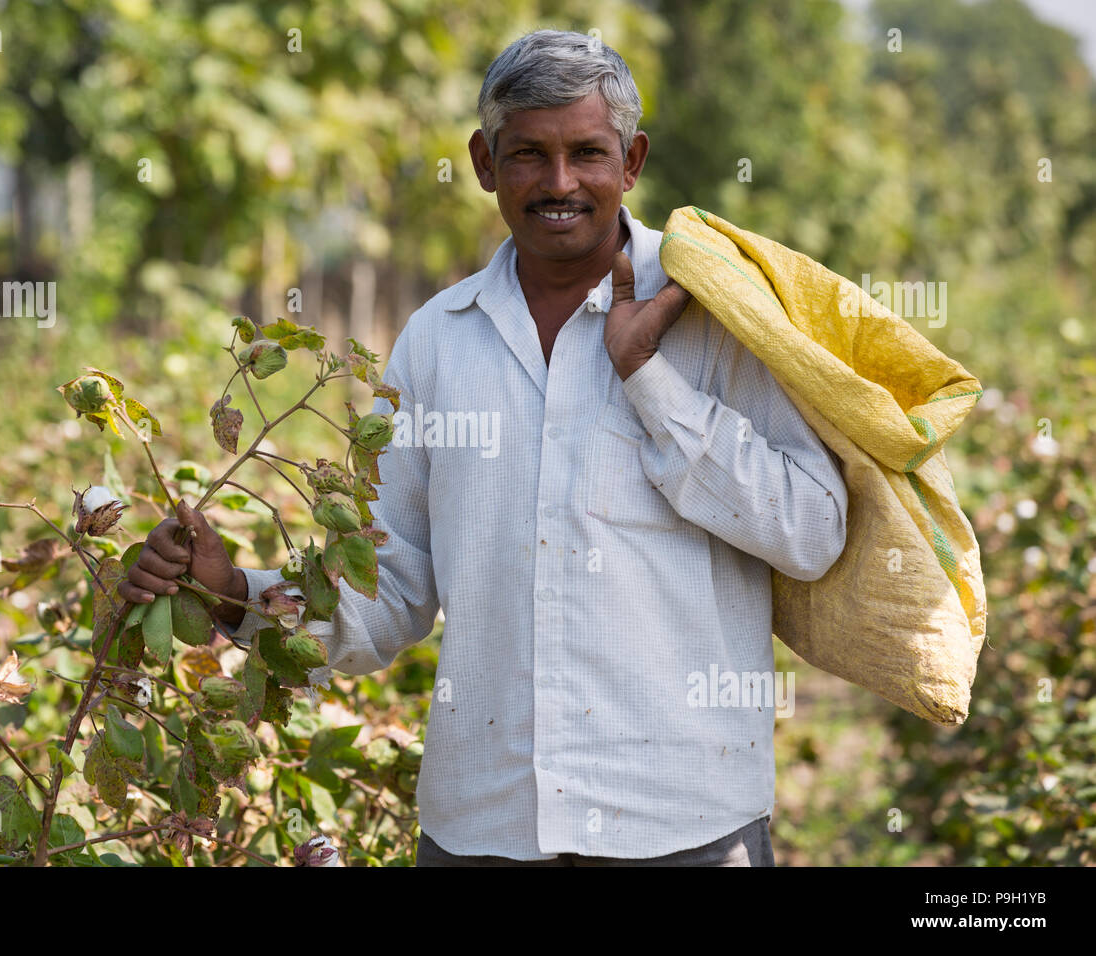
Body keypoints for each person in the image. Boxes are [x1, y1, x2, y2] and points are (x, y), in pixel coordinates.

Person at [119, 29, 847, 866]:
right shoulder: (437, 342)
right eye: (529, 154)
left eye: (588, 153)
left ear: (633, 160)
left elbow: (813, 530)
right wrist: (231, 594)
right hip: (484, 830)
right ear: (483, 161)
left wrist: (648, 378)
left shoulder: (719, 316)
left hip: (683, 825)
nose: (561, 182)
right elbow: (391, 585)